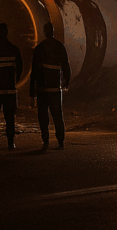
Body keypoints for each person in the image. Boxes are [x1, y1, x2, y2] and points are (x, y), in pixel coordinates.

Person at [29, 22, 70, 151]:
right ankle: (60, 142)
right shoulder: (59, 47)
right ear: (53, 31)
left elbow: (34, 71)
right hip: (55, 88)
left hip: (42, 89)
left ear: (45, 32)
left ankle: (45, 141)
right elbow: (66, 66)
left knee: (43, 116)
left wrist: (32, 92)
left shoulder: (39, 48)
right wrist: (66, 81)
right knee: (57, 115)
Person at [0, 22, 23, 151]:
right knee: (10, 118)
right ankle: (10, 143)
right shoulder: (14, 49)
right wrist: (15, 81)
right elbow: (20, 69)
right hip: (10, 90)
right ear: (7, 32)